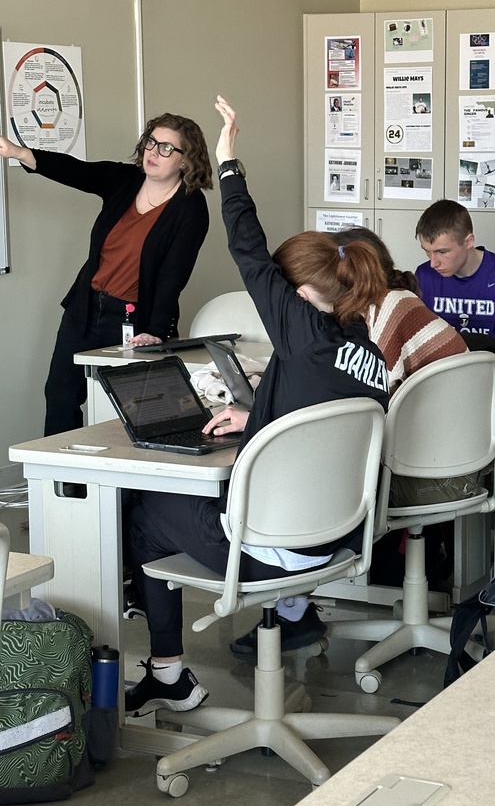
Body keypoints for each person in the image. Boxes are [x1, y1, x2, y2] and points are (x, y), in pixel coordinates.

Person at [123, 97, 390, 713]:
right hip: (334, 537)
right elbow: (317, 419)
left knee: (141, 508)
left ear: (298, 294)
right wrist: (258, 419)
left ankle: (167, 673)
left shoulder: (301, 332)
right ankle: (271, 621)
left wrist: (228, 162)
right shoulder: (363, 346)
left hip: (271, 547)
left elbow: (247, 244)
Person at [0, 116, 212, 435]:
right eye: (151, 142)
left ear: (187, 159)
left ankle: (127, 483)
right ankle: (65, 484)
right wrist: (19, 152)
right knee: (60, 395)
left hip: (132, 321)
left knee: (136, 409)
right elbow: (77, 171)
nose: (153, 152)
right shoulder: (124, 179)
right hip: (85, 308)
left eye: (167, 147)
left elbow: (174, 276)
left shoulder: (190, 207)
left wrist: (156, 330)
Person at [334, 226, 467, 391]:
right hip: (444, 401)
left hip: (449, 403)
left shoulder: (389, 304)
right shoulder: (385, 300)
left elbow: (380, 386)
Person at [415, 199, 495, 356]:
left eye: (442, 252)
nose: (433, 263)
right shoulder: (424, 274)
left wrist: (444, 343)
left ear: (468, 241)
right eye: (427, 251)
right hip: (438, 372)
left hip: (488, 371)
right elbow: (415, 338)